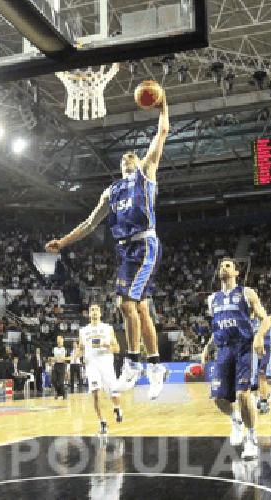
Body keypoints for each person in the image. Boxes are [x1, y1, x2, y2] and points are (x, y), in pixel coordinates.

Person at [45, 90, 172, 399]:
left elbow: (163, 131)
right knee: (140, 309)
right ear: (119, 166)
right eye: (124, 157)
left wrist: (163, 103)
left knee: (125, 303)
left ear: (138, 161)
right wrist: (63, 241)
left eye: (133, 156)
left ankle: (132, 363)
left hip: (145, 245)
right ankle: (154, 366)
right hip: (125, 250)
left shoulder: (145, 174)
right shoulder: (111, 192)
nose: (128, 158)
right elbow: (90, 224)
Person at [200, 257, 271, 460]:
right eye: (221, 265)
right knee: (218, 398)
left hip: (243, 348)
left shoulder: (246, 293)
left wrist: (258, 336)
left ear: (236, 272)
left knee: (243, 395)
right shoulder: (212, 299)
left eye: (228, 265)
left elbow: (266, 319)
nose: (223, 267)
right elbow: (218, 326)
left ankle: (251, 438)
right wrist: (207, 347)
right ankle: (236, 419)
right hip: (223, 350)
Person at [76, 304, 123, 435]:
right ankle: (102, 423)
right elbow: (80, 348)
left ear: (100, 313)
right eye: (92, 310)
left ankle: (117, 407)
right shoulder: (83, 331)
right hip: (92, 366)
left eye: (97, 310)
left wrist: (108, 346)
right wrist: (76, 357)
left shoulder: (108, 329)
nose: (94, 312)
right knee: (96, 395)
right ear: (89, 314)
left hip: (107, 365)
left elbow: (117, 349)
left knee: (114, 393)